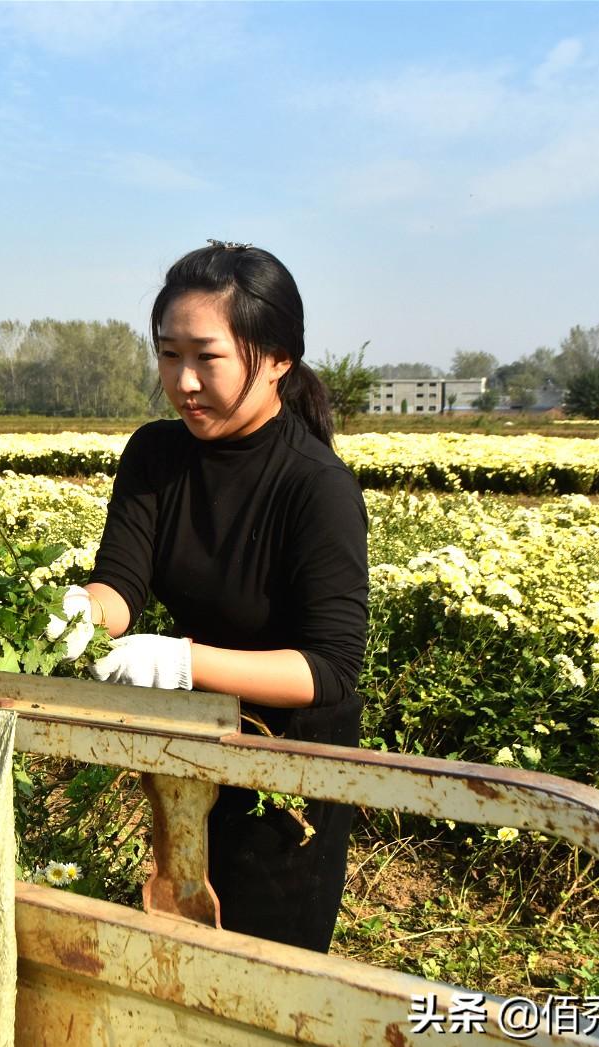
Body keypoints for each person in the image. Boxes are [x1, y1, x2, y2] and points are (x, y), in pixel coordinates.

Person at [64, 240, 368, 953]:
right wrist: (81, 611)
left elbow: (325, 671)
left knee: (266, 965)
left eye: (207, 357)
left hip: (290, 771)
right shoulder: (156, 457)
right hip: (196, 749)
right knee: (181, 941)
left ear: (278, 359)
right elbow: (121, 585)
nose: (184, 381)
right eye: (169, 355)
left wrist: (181, 661)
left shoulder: (314, 487)